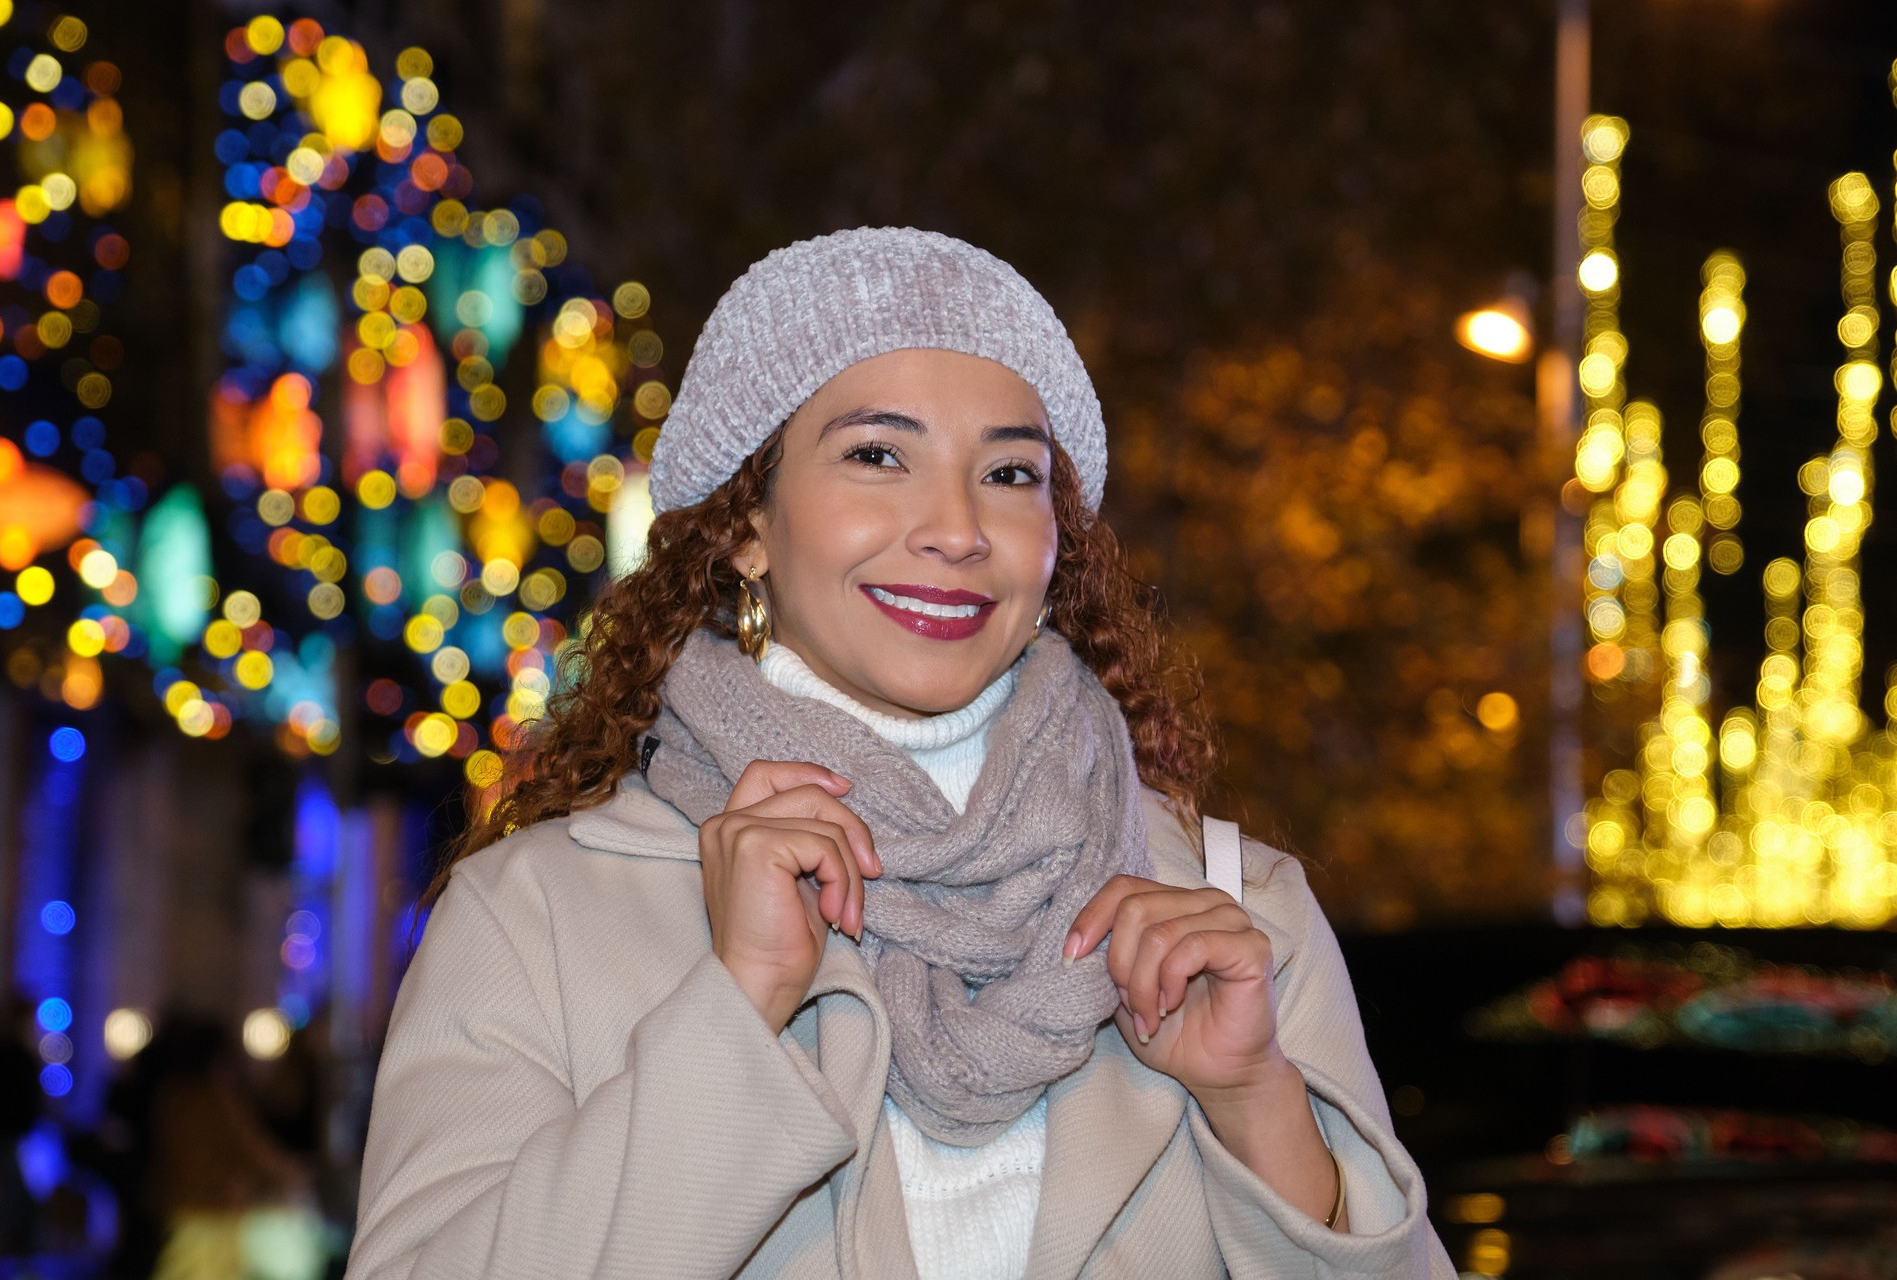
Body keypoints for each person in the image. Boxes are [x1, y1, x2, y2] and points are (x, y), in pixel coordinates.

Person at [346, 227, 1454, 1278]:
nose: (958, 527)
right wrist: (738, 1006)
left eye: (1011, 474)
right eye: (878, 454)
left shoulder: (1233, 915)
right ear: (746, 525)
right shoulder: (537, 916)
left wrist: (1259, 1103)